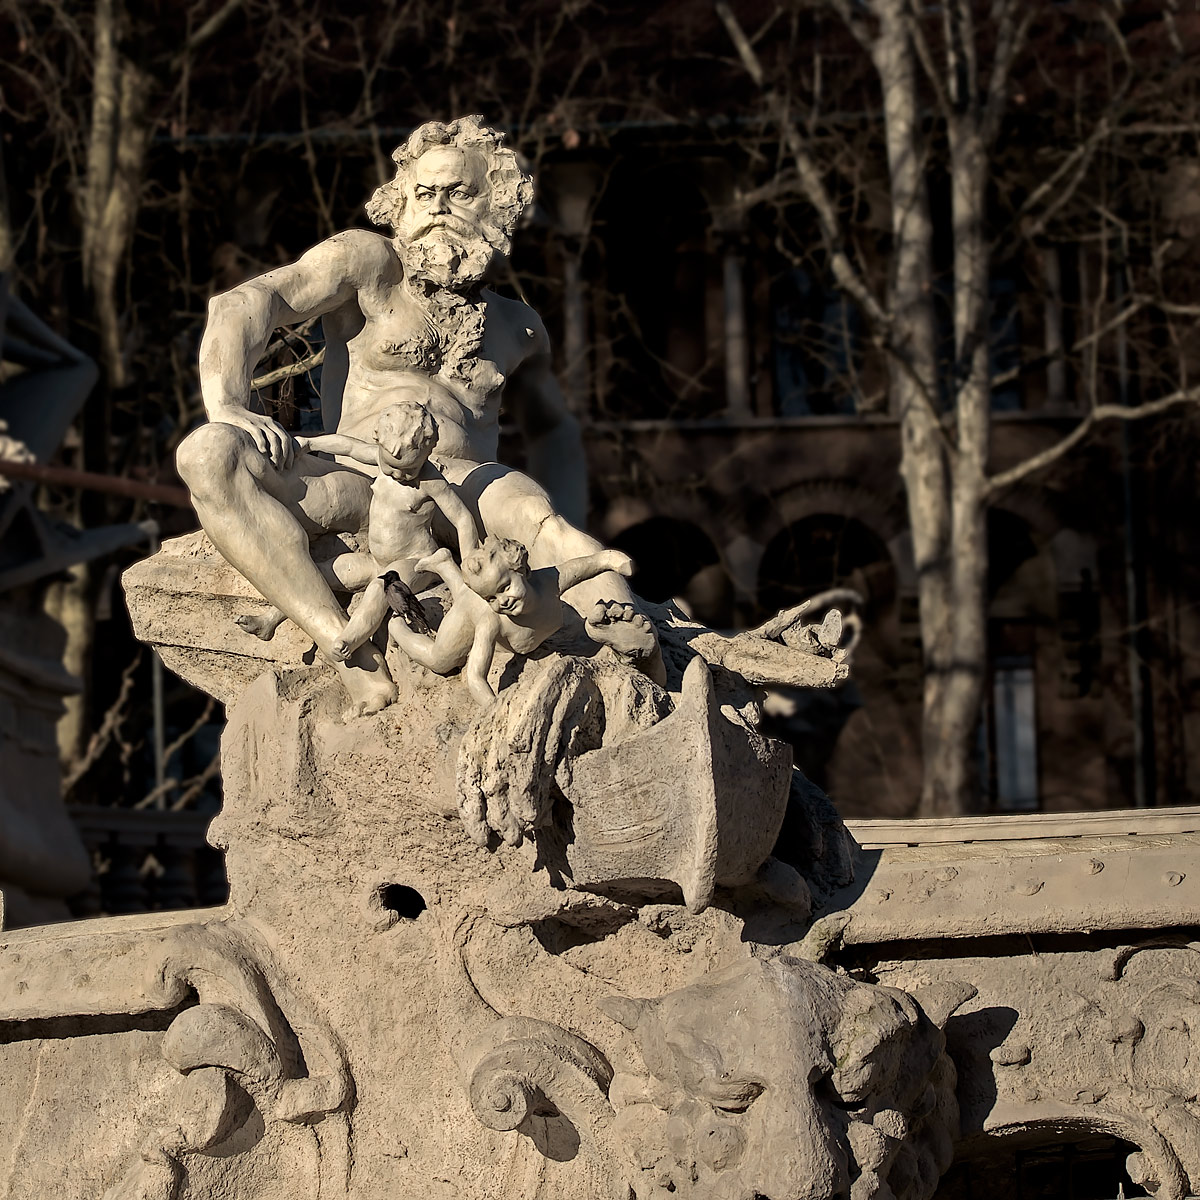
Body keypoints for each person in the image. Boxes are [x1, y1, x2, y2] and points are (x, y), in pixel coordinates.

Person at [177, 115, 658, 716]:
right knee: (207, 453)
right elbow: (250, 302)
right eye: (424, 194)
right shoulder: (369, 266)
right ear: (400, 202)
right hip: (362, 475)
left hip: (472, 484)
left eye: (459, 193)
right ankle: (347, 653)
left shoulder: (520, 327)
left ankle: (633, 647)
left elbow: (554, 429)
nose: (438, 208)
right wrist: (226, 402)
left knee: (556, 532)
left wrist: (557, 519)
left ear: (498, 203)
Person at [236, 390, 480, 661]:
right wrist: (308, 443)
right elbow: (347, 446)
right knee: (321, 573)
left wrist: (470, 564)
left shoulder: (430, 482)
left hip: (415, 562)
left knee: (381, 588)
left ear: (427, 452)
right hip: (375, 559)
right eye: (391, 467)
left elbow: (462, 518)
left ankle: (349, 640)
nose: (398, 475)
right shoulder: (381, 457)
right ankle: (270, 620)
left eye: (408, 469)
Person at [389, 540, 641, 708]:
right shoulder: (490, 620)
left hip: (477, 601)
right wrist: (495, 710)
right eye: (492, 598)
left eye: (505, 588)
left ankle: (444, 564)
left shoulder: (551, 581)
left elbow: (590, 564)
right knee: (439, 660)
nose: (502, 601)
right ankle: (397, 628)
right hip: (469, 613)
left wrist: (612, 561)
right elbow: (476, 676)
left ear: (522, 570)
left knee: (466, 593)